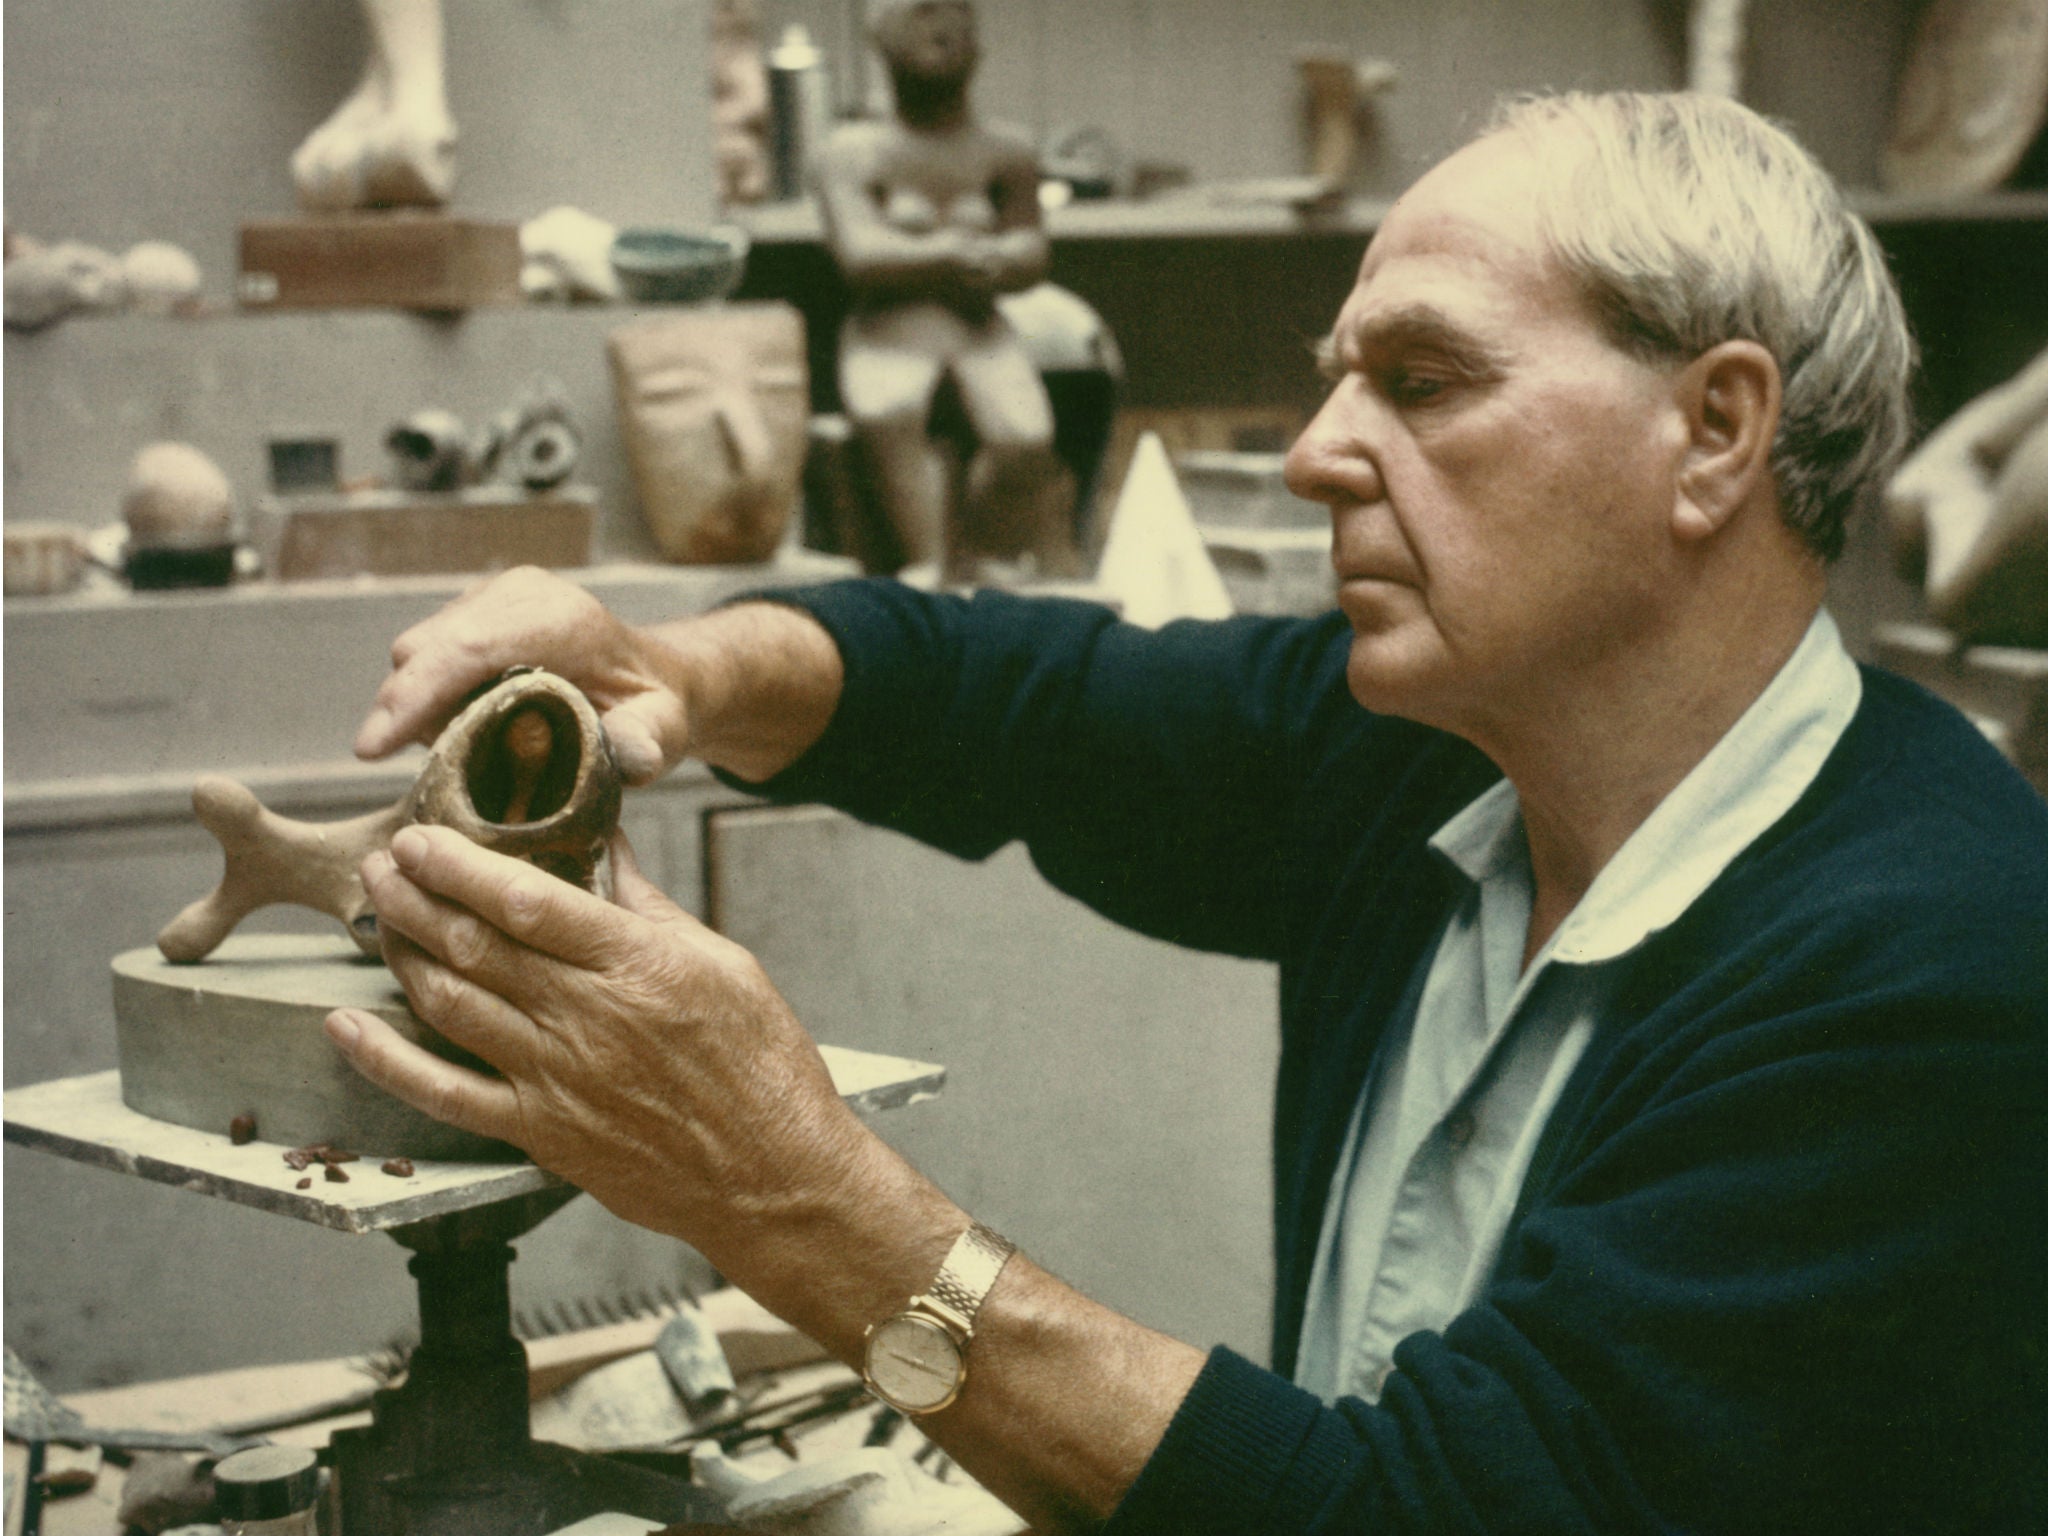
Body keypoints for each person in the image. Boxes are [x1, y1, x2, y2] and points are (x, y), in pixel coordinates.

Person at [327, 91, 2048, 1532]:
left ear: (1713, 429)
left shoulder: (1923, 971)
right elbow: (1014, 701)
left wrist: (785, 1191)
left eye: (1422, 380)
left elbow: (1415, 1519)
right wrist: (685, 666)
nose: (1315, 449)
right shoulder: (1439, 756)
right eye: (1335, 376)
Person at [814, 0, 1080, 581]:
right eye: (922, 14)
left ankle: (976, 558)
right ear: (882, 44)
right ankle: (923, 564)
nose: (943, 30)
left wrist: (1001, 258)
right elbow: (861, 255)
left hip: (979, 328)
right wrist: (956, 252)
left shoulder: (1006, 149)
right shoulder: (852, 150)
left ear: (980, 47)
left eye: (957, 15)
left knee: (1024, 435)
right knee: (890, 408)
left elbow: (1032, 248)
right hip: (890, 332)